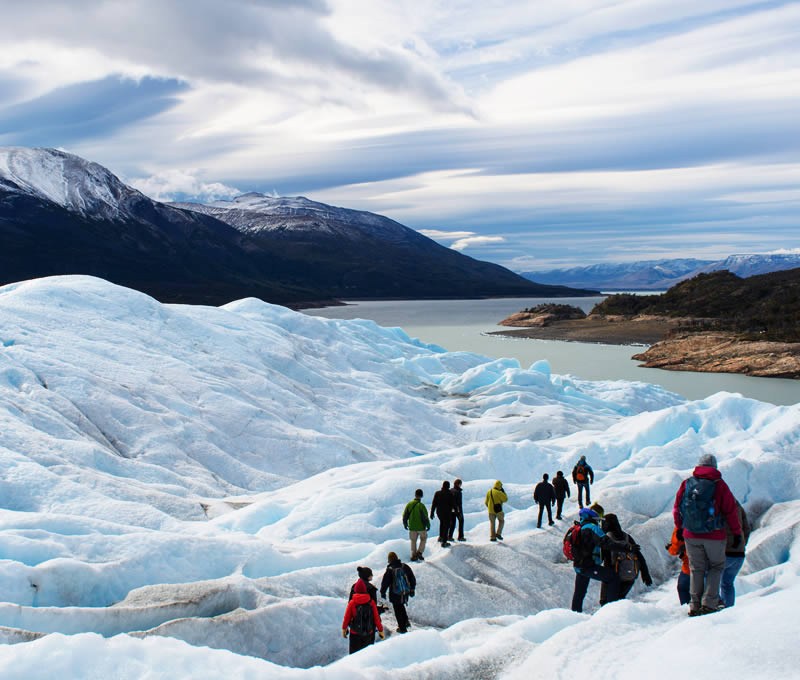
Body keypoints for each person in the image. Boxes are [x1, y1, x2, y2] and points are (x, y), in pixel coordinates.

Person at [673, 453, 742, 616]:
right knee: (715, 567)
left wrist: (680, 529)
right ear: (714, 467)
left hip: (690, 534)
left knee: (696, 569)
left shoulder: (687, 483)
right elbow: (730, 511)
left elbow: (677, 509)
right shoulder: (720, 485)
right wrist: (737, 533)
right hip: (714, 535)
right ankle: (709, 604)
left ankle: (694, 605)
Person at [569, 507, 631, 613]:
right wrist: (627, 547)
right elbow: (606, 543)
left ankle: (574, 614)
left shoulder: (579, 527)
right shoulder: (592, 528)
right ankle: (611, 611)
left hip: (579, 565)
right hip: (588, 566)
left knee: (579, 592)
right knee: (613, 578)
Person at [598, 513, 653, 605]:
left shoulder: (607, 539)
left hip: (612, 575)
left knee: (606, 603)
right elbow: (639, 555)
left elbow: (601, 558)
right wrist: (645, 574)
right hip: (629, 576)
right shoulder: (627, 537)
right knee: (620, 601)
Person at [720, 500, 751, 607]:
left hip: (723, 553)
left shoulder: (716, 504)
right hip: (739, 554)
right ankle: (728, 610)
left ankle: (712, 611)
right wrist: (741, 545)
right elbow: (746, 528)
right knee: (727, 584)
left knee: (707, 581)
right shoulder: (737, 505)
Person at [342, 579, 384, 653]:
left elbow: (347, 617)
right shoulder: (371, 602)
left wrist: (344, 628)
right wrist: (380, 630)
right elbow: (376, 617)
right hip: (369, 632)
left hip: (355, 632)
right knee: (367, 653)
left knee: (354, 654)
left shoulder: (352, 602)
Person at [380, 551, 416, 634]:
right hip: (405, 592)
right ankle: (406, 622)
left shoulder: (390, 569)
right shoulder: (404, 567)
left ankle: (402, 628)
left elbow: (385, 582)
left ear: (389, 560)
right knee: (402, 605)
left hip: (395, 593)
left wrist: (383, 592)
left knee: (397, 610)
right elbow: (412, 578)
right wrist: (412, 589)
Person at [403, 488, 430, 562]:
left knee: (413, 540)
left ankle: (413, 555)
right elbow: (425, 516)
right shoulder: (421, 505)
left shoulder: (409, 504)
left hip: (412, 526)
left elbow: (405, 515)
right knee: (423, 539)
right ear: (421, 496)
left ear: (415, 495)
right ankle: (419, 552)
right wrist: (428, 525)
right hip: (421, 527)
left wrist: (405, 523)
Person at [666, 526, 691, 605]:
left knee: (683, 588)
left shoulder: (681, 524)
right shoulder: (711, 518)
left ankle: (688, 609)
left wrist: (670, 548)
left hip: (690, 565)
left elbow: (676, 548)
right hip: (711, 562)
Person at [430, 481, 454, 547]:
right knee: (446, 525)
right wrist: (456, 511)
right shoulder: (450, 494)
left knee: (442, 523)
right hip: (447, 512)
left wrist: (432, 512)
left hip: (439, 512)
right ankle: (444, 541)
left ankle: (440, 537)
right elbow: (452, 504)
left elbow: (434, 503)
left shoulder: (437, 493)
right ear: (448, 486)